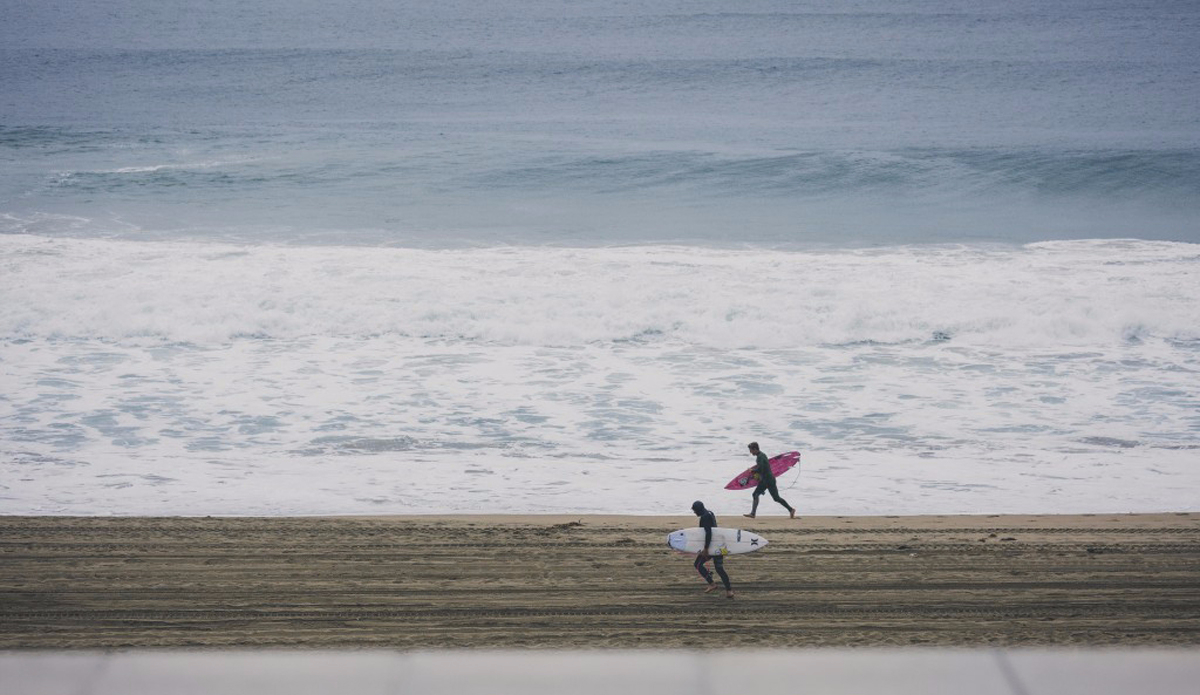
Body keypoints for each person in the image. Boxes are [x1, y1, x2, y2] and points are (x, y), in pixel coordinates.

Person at [691, 500, 734, 599]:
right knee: (719, 569)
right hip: (719, 545)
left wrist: (706, 549)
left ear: (699, 510)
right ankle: (729, 591)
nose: (694, 512)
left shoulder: (705, 517)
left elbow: (708, 533)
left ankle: (712, 583)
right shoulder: (710, 513)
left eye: (695, 511)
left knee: (697, 564)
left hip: (712, 546)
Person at [744, 441, 797, 519]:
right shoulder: (762, 455)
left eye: (751, 450)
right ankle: (791, 510)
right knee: (776, 498)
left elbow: (761, 469)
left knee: (756, 494)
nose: (750, 452)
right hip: (769, 479)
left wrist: (753, 471)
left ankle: (753, 513)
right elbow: (763, 468)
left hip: (767, 480)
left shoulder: (760, 457)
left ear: (755, 449)